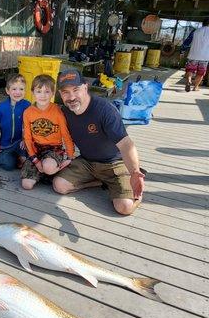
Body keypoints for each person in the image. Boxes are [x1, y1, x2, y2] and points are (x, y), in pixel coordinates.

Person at [52, 69, 145, 215]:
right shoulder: (65, 111)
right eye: (65, 92)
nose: (71, 97)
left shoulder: (104, 110)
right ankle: (100, 182)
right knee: (59, 186)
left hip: (115, 162)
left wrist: (134, 172)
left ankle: (136, 191)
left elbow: (126, 144)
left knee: (124, 207)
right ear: (60, 94)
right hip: (87, 161)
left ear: (85, 87)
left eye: (76, 90)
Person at [21, 75, 74, 190]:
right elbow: (27, 138)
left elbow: (66, 134)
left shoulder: (57, 112)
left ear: (52, 93)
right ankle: (45, 174)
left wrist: (70, 156)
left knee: (48, 167)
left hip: (53, 149)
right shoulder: (28, 112)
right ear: (33, 93)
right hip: (36, 150)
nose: (43, 95)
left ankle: (53, 171)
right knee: (27, 185)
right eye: (39, 91)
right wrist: (35, 160)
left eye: (47, 91)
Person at [0, 74, 30, 171]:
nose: (18, 92)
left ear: (25, 91)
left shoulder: (27, 106)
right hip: (6, 144)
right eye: (14, 89)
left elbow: (30, 125)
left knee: (29, 155)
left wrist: (26, 139)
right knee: (7, 165)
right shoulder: (1, 107)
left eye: (21, 89)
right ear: (8, 91)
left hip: (22, 142)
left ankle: (22, 157)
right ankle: (14, 158)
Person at [183, 18, 209, 92]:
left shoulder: (196, 31)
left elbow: (187, 41)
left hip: (193, 55)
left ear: (202, 23)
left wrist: (182, 50)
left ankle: (189, 81)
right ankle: (195, 87)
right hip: (205, 56)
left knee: (190, 70)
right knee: (200, 73)